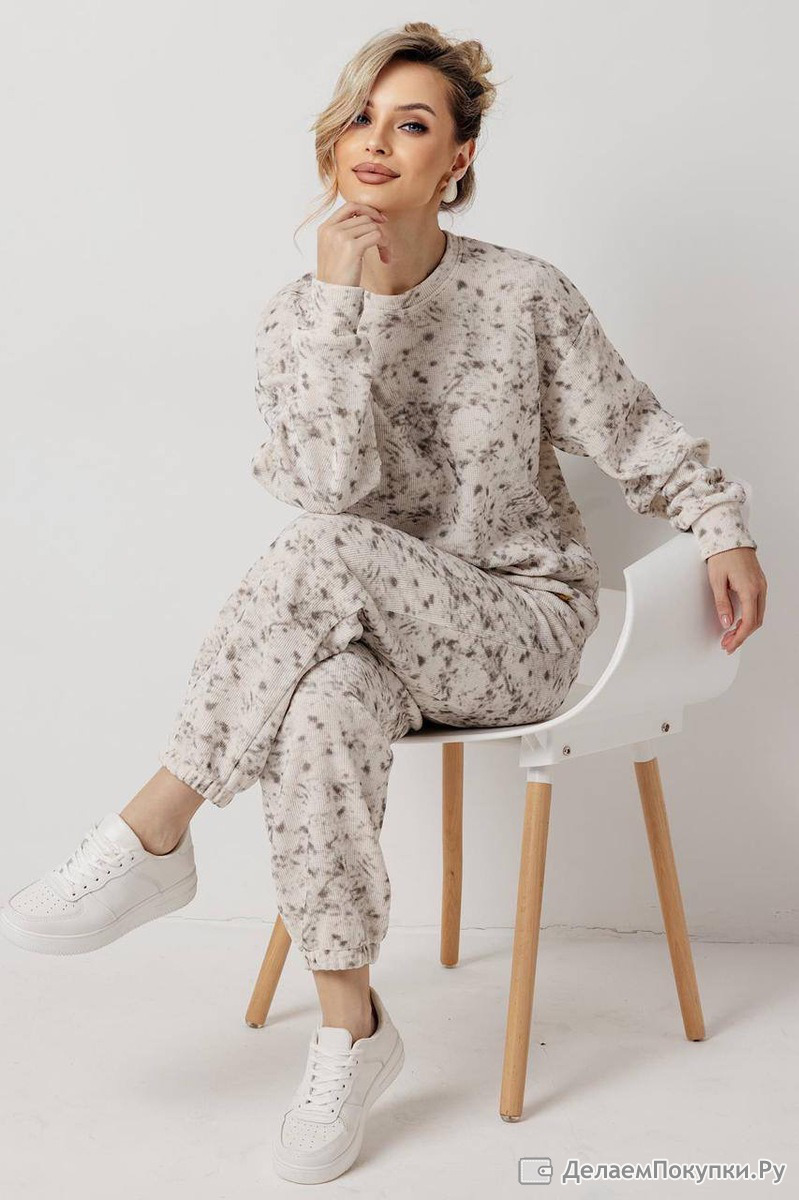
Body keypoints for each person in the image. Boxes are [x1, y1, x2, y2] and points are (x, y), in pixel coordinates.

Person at [1, 20, 767, 1186]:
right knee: (317, 709)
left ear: (456, 159)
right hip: (367, 631)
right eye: (360, 117)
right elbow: (328, 487)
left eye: (411, 124)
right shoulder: (295, 315)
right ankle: (350, 1030)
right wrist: (339, 310)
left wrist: (722, 523)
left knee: (324, 556)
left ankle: (154, 824)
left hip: (519, 626)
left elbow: (633, 429)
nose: (376, 141)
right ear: (331, 143)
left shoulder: (521, 293)